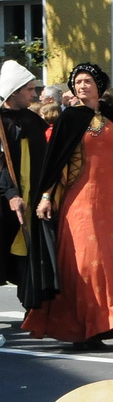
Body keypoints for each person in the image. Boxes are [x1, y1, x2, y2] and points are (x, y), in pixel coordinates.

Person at [22, 63, 113, 347]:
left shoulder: (112, 116)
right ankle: (81, 328)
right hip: (79, 201)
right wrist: (46, 196)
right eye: (77, 82)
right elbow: (54, 164)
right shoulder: (69, 119)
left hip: (111, 203)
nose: (82, 86)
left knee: (110, 265)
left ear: (99, 85)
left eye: (87, 81)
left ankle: (102, 326)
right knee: (82, 263)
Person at [0, 60, 54, 308]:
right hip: (5, 202)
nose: (35, 94)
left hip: (31, 199)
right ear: (14, 91)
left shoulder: (33, 121)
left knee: (30, 252)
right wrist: (10, 193)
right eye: (29, 89)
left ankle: (30, 304)